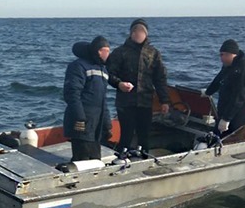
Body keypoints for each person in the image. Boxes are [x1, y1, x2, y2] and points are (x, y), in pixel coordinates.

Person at [107, 18, 170, 153]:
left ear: (146, 34)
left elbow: (160, 79)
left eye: (141, 31)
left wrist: (164, 100)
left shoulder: (153, 53)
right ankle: (122, 158)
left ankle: (144, 158)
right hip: (125, 102)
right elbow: (109, 75)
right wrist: (119, 84)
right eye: (135, 31)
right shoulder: (119, 52)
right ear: (130, 33)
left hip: (145, 101)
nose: (138, 34)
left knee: (144, 135)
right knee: (126, 134)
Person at [63, 36, 112, 161]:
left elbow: (102, 100)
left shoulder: (103, 70)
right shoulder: (78, 66)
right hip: (82, 122)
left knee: (95, 159)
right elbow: (72, 93)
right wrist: (79, 117)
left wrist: (107, 123)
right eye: (106, 51)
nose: (108, 54)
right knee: (82, 158)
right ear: (98, 51)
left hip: (96, 124)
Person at [205, 39, 245, 136]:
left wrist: (226, 119)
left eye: (222, 55)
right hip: (223, 111)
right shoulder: (228, 66)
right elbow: (218, 79)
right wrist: (208, 92)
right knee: (215, 137)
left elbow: (239, 97)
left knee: (227, 139)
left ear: (230, 54)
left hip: (238, 117)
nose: (220, 58)